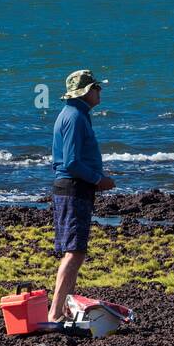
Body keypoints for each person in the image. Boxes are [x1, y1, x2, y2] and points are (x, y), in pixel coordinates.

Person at [49, 69, 115, 322]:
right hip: (73, 188)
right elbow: (72, 161)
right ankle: (55, 313)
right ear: (87, 91)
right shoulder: (75, 116)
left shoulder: (74, 114)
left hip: (74, 188)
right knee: (74, 251)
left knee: (74, 250)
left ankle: (63, 308)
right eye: (97, 88)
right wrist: (99, 180)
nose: (100, 92)